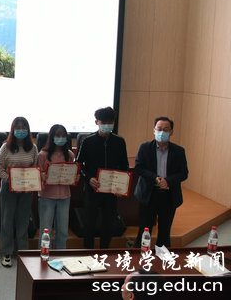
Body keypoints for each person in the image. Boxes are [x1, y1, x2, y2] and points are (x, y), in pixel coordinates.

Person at [77, 106, 129, 249]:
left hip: (111, 190)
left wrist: (121, 185)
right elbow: (79, 165)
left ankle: (104, 253)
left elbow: (124, 165)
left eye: (110, 122)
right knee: (90, 224)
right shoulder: (88, 141)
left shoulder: (119, 141)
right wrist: (89, 178)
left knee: (108, 224)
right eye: (103, 122)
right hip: (92, 189)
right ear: (97, 122)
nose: (107, 125)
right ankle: (88, 253)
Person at [134, 117, 188, 248]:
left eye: (166, 129)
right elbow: (139, 168)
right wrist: (155, 178)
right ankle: (141, 255)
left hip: (169, 195)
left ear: (171, 132)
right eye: (159, 129)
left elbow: (183, 173)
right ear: (154, 130)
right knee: (144, 230)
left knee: (165, 230)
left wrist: (167, 181)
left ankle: (162, 257)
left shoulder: (179, 151)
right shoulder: (145, 147)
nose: (162, 132)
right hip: (148, 194)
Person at [0, 117, 38, 267]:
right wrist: (11, 180)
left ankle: (23, 252)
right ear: (13, 130)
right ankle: (6, 252)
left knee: (23, 221)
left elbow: (35, 167)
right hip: (8, 189)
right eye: (18, 128)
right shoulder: (5, 147)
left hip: (26, 189)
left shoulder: (33, 148)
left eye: (24, 128)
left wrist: (29, 180)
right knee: (7, 221)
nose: (21, 131)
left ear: (28, 130)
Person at [37, 124, 75, 250]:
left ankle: (60, 255)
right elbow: (37, 173)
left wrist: (75, 177)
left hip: (64, 196)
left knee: (63, 231)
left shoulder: (69, 154)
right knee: (45, 230)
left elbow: (72, 173)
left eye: (63, 135)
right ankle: (43, 255)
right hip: (47, 196)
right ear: (51, 137)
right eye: (58, 135)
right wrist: (42, 175)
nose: (61, 138)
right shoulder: (43, 154)